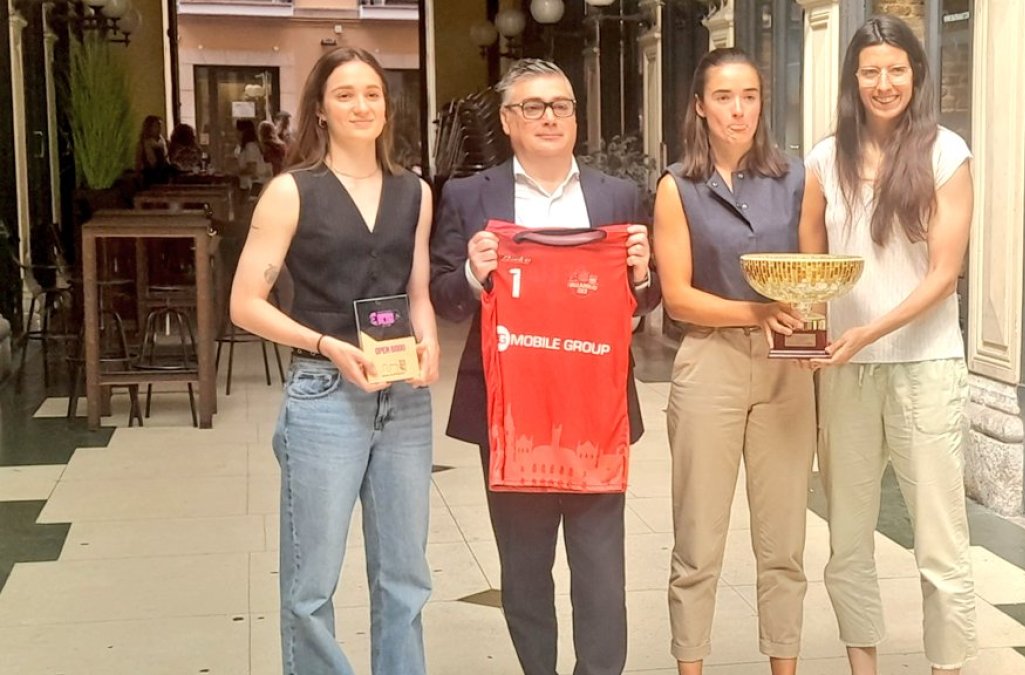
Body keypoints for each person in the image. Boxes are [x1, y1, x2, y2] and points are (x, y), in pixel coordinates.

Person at [430, 58, 660, 675]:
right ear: (508, 121)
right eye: (533, 106)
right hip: (510, 417)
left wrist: (641, 277)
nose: (550, 117)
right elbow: (440, 296)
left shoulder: (616, 195)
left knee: (601, 574)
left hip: (596, 414)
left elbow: (642, 299)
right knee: (525, 572)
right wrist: (473, 273)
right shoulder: (468, 197)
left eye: (561, 105)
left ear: (576, 117)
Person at [229, 46, 439, 675]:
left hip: (403, 398)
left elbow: (419, 294)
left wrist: (427, 346)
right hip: (325, 395)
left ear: (387, 105)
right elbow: (245, 304)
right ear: (320, 109)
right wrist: (324, 345)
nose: (361, 105)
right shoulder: (292, 192)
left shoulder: (415, 192)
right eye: (345, 94)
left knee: (406, 577)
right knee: (311, 585)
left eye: (372, 93)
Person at [798, 14, 976, 675]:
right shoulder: (823, 159)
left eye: (896, 69)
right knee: (847, 542)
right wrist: (809, 334)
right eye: (870, 70)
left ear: (917, 75)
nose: (883, 82)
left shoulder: (946, 154)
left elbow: (944, 273)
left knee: (940, 544)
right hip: (844, 375)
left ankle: (947, 667)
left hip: (925, 367)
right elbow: (811, 266)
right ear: (853, 78)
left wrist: (865, 331)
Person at [652, 48, 815, 675]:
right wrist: (755, 312)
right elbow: (678, 294)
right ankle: (690, 665)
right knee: (698, 541)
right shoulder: (677, 187)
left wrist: (809, 338)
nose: (738, 109)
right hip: (709, 363)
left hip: (785, 370)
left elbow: (813, 276)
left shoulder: (796, 178)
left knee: (784, 544)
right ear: (700, 106)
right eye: (723, 96)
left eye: (748, 95)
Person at [135, 115, 170, 184]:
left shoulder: (163, 142)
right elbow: (138, 161)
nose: (159, 129)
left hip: (163, 173)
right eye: (156, 126)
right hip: (150, 174)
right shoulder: (143, 143)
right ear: (149, 128)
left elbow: (166, 158)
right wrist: (138, 175)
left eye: (160, 126)